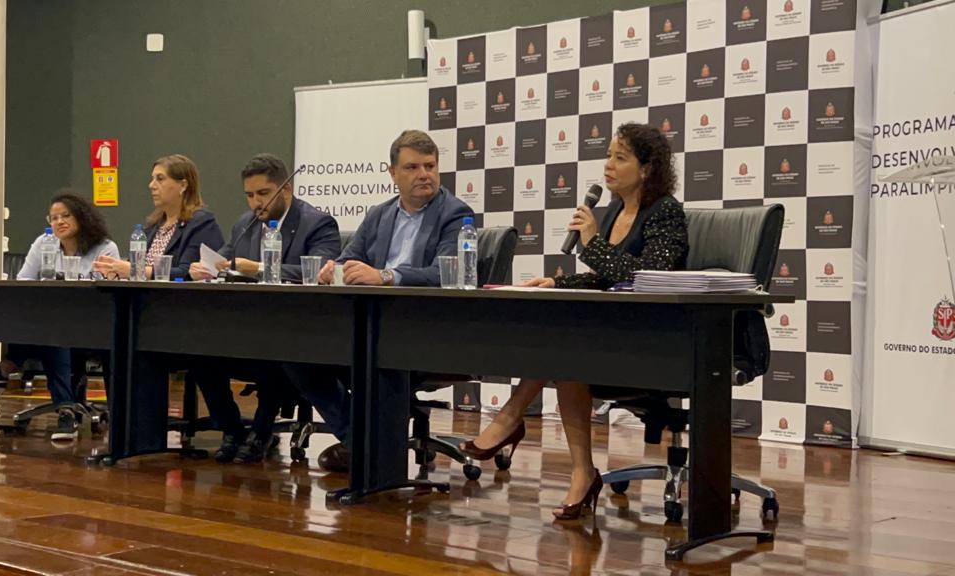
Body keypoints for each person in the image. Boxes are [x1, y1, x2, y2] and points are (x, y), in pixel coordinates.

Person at [460, 123, 688, 519]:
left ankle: (511, 418)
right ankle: (581, 472)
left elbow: (646, 278)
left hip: (657, 339)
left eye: (620, 158)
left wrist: (592, 243)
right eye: (608, 155)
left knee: (569, 350)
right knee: (566, 352)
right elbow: (606, 279)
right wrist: (557, 281)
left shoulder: (665, 212)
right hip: (617, 334)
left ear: (647, 168)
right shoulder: (614, 210)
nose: (608, 165)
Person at [283, 129, 474, 472]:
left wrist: (386, 276)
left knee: (376, 355)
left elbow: (446, 274)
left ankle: (370, 449)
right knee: (296, 351)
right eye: (412, 167)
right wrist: (332, 271)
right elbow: (348, 259)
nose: (424, 174)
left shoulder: (456, 215)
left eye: (430, 166)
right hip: (370, 322)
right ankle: (361, 440)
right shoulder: (379, 214)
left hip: (425, 326)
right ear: (393, 173)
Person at [187, 153, 341, 463]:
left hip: (297, 328)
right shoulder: (245, 224)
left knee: (275, 344)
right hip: (245, 324)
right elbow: (224, 262)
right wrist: (204, 269)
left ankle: (261, 431)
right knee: (198, 349)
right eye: (250, 195)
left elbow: (320, 271)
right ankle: (232, 429)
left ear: (286, 189)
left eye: (263, 193)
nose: (256, 203)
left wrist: (258, 267)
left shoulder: (318, 223)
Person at [0, 192, 120, 441]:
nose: (59, 222)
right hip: (51, 325)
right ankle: (66, 409)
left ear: (82, 217)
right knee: (50, 329)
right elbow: (24, 282)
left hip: (92, 327)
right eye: (53, 218)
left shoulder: (104, 248)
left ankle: (4, 369)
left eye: (66, 216)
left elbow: (109, 293)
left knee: (53, 330)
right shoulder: (43, 244)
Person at [93, 154, 223, 280]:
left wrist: (135, 270)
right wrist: (116, 269)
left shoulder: (201, 223)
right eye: (152, 179)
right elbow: (138, 267)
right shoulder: (153, 226)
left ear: (183, 185)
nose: (151, 185)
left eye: (160, 179)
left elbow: (186, 273)